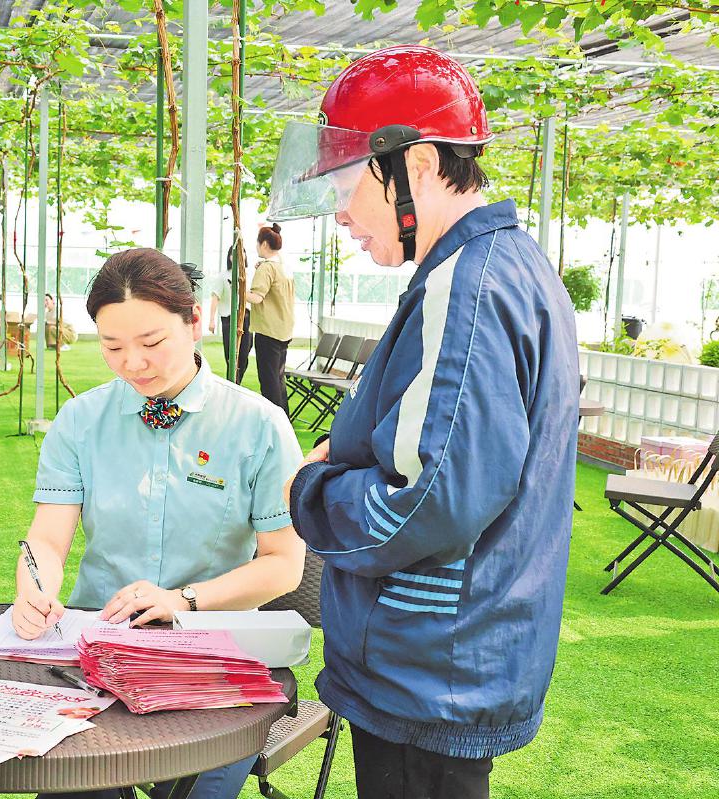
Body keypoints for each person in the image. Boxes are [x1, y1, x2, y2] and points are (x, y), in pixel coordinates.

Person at [278, 46, 579, 799]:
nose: (341, 211)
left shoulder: (464, 286)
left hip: (426, 664)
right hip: (451, 657)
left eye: (346, 181)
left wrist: (310, 488)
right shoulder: (505, 263)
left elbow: (425, 501)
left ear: (414, 166)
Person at [13, 248, 306, 799]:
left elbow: (284, 564)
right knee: (72, 780)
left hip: (214, 659)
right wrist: (35, 588)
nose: (133, 364)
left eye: (152, 343)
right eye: (112, 346)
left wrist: (182, 601)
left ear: (195, 322)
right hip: (96, 651)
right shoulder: (80, 421)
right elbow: (48, 538)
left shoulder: (258, 426)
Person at [247, 224, 294, 415]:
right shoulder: (283, 267)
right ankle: (284, 418)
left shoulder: (267, 268)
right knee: (278, 378)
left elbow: (257, 297)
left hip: (268, 331)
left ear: (264, 244)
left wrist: (238, 290)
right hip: (284, 330)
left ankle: (274, 421)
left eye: (257, 243)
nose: (256, 247)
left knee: (269, 381)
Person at [207, 243, 252, 384]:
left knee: (244, 355)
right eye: (234, 253)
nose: (239, 256)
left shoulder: (249, 274)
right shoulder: (223, 276)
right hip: (229, 319)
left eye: (242, 252)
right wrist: (211, 320)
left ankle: (236, 384)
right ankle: (232, 384)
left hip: (246, 318)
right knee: (231, 356)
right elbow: (215, 297)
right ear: (230, 257)